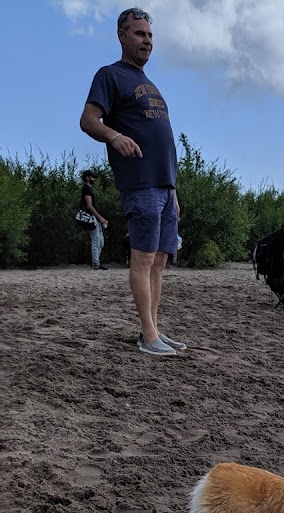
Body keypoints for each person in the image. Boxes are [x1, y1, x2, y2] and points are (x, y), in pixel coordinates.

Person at [79, 8, 185, 357]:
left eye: (150, 35)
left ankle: (152, 329)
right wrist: (113, 136)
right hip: (140, 185)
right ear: (122, 36)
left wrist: (174, 190)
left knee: (159, 261)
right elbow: (88, 119)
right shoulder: (110, 75)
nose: (147, 40)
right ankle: (148, 333)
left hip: (165, 188)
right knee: (142, 259)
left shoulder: (151, 85)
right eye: (139, 34)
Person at [81, 170, 109, 270]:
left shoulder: (89, 189)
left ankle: (96, 262)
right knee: (96, 241)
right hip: (91, 219)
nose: (94, 179)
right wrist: (100, 218)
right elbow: (89, 206)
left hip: (95, 218)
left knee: (100, 241)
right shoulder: (87, 189)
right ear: (87, 178)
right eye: (92, 177)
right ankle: (95, 264)